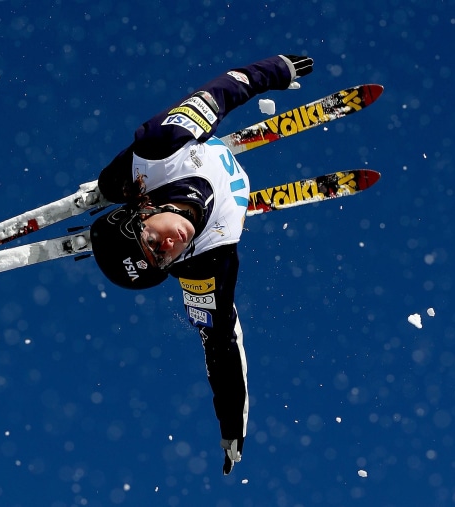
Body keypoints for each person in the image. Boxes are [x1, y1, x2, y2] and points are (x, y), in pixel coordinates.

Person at [89, 54, 314, 475]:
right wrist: (231, 424)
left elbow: (225, 90)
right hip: (227, 206)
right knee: (211, 311)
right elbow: (221, 347)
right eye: (162, 258)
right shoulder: (204, 264)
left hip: (169, 165)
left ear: (141, 214)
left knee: (114, 177)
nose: (170, 244)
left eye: (153, 240)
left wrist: (276, 71)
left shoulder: (164, 144)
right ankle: (111, 197)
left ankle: (108, 190)